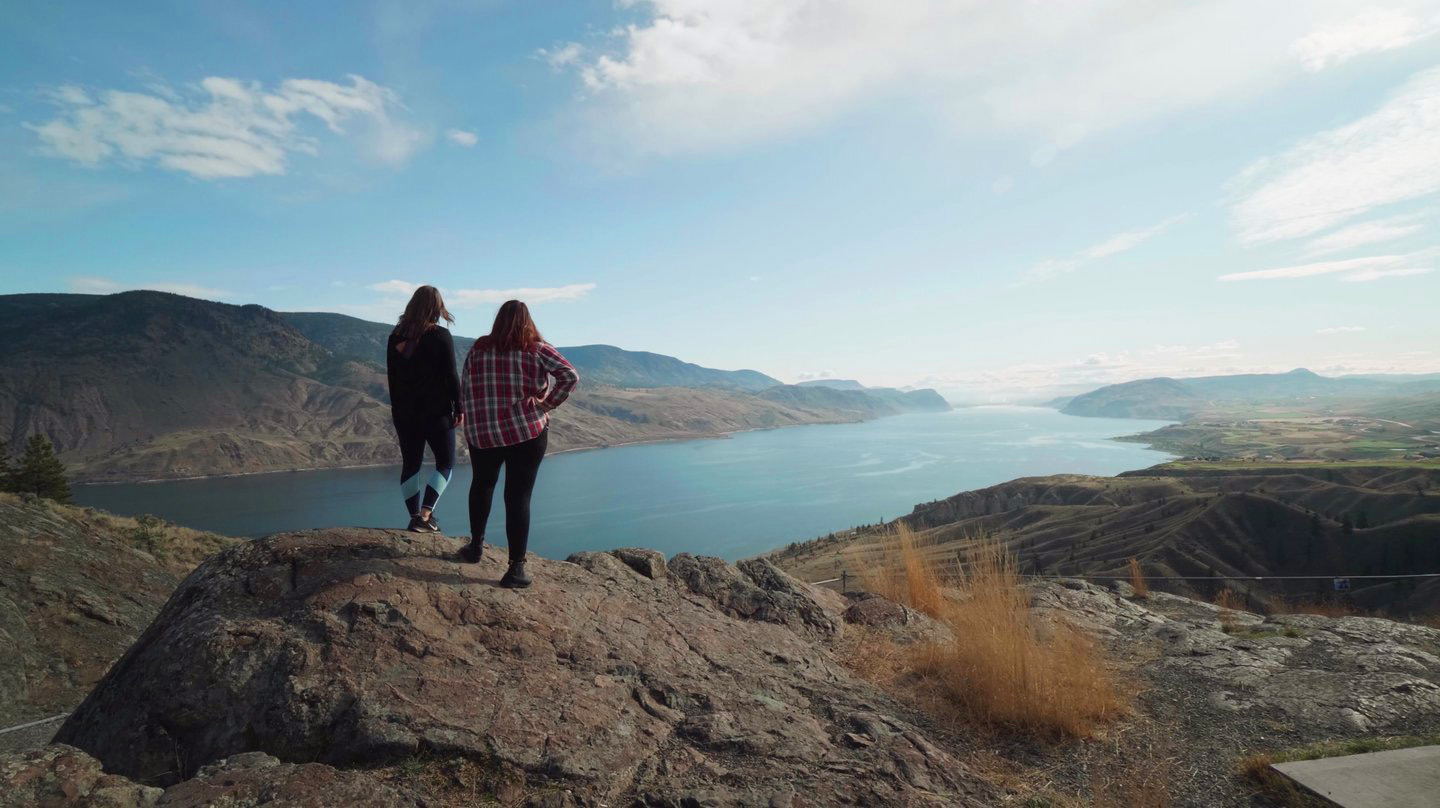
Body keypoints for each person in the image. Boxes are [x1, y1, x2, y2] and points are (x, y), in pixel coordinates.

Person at [458, 299, 578, 588]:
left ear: (497, 320)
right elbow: (569, 375)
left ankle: (475, 547)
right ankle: (516, 569)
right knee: (518, 496)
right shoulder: (536, 348)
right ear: (528, 321)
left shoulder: (479, 348)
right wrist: (547, 405)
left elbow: (465, 386)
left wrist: (473, 418)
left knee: (482, 484)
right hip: (526, 431)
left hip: (484, 432)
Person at [386, 285, 463, 534]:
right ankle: (426, 514)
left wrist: (397, 408)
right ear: (436, 308)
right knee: (446, 463)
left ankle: (414, 517)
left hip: (405, 413)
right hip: (437, 411)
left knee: (411, 464)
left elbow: (393, 377)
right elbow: (451, 375)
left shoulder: (395, 336)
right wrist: (459, 406)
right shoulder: (440, 336)